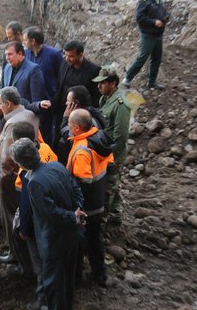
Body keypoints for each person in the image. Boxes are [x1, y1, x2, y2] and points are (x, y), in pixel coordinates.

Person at [10, 138, 85, 310]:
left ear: (21, 163)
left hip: (53, 242)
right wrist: (77, 211)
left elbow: (50, 213)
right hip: (72, 235)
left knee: (54, 286)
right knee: (68, 279)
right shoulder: (57, 166)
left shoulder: (34, 182)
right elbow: (76, 189)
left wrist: (72, 216)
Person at [0, 87, 39, 277]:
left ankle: (21, 260)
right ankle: (19, 256)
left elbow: (7, 158)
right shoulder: (30, 113)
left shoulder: (12, 123)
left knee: (12, 218)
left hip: (10, 178)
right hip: (24, 174)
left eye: (0, 104)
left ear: (8, 104)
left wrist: (1, 178)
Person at [11, 122, 57, 310]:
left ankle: (43, 299)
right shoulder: (46, 149)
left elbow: (26, 204)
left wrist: (24, 229)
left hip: (38, 219)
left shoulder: (27, 175)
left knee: (38, 259)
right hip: (52, 207)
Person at [66, 109, 113, 288]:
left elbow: (82, 182)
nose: (67, 127)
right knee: (95, 239)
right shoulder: (100, 138)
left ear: (77, 128)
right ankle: (100, 273)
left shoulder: (81, 151)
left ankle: (76, 278)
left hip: (85, 205)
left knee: (78, 242)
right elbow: (108, 165)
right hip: (99, 200)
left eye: (69, 124)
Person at [92, 65, 131, 226]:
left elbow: (120, 136)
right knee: (113, 184)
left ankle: (104, 218)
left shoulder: (121, 104)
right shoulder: (105, 98)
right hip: (105, 150)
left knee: (108, 186)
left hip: (112, 154)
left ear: (113, 83)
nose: (98, 86)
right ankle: (115, 214)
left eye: (103, 83)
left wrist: (111, 157)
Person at [122, 0, 170, 90]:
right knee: (142, 58)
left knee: (157, 58)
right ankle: (128, 78)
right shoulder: (144, 2)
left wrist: (165, 18)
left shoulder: (159, 2)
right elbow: (140, 18)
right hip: (148, 35)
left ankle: (152, 82)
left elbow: (164, 13)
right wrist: (154, 22)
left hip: (158, 35)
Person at [52, 41, 101, 149]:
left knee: (72, 142)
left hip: (78, 116)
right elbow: (60, 84)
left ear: (80, 55)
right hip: (61, 110)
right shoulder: (65, 63)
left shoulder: (93, 70)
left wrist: (83, 112)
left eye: (71, 56)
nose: (67, 58)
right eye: (65, 55)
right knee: (56, 139)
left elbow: (95, 97)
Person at [23, 26, 63, 144]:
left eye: (25, 40)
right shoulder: (26, 54)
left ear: (33, 41)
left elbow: (60, 77)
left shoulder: (53, 55)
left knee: (48, 134)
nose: (23, 43)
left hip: (49, 102)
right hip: (31, 103)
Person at [57, 85, 106, 166]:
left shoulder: (85, 121)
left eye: (68, 100)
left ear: (76, 104)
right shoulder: (92, 112)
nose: (66, 103)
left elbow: (69, 138)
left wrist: (65, 118)